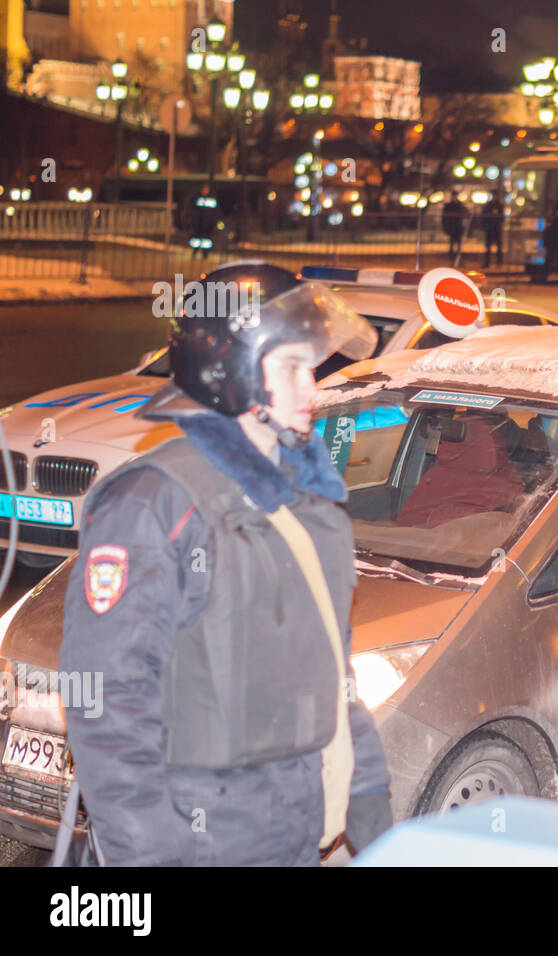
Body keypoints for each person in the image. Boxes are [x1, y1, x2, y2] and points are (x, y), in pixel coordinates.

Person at [60, 262, 393, 866]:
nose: (313, 389)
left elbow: (332, 673)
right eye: (291, 368)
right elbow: (107, 705)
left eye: (311, 368)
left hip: (296, 830)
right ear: (229, 375)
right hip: (199, 839)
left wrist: (369, 796)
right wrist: (148, 859)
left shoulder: (307, 503)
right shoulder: (154, 504)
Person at [541, 205, 558, 282]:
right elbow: (557, 233)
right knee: (556, 260)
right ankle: (556, 275)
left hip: (551, 244)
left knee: (550, 259)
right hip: (555, 244)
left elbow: (547, 232)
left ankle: (548, 275)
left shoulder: (551, 219)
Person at [482, 189, 505, 269]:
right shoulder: (489, 205)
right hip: (490, 228)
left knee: (499, 246)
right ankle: (487, 262)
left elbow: (502, 217)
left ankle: (499, 262)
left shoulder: (499, 206)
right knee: (488, 246)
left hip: (497, 228)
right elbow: (484, 215)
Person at [441, 193, 466, 261]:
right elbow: (444, 216)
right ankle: (451, 254)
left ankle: (458, 254)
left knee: (458, 241)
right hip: (452, 225)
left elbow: (465, 212)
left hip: (458, 225)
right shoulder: (449, 205)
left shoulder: (459, 205)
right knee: (452, 240)